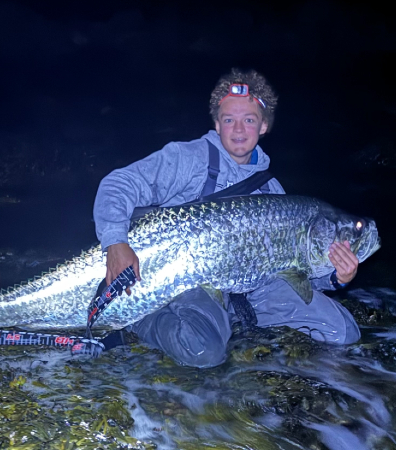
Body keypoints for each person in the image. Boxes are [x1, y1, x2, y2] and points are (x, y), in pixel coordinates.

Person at [92, 69, 360, 368]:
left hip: (252, 291)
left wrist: (336, 276)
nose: (238, 129)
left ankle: (232, 324)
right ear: (217, 124)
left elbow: (297, 271)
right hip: (189, 279)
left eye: (249, 119)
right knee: (202, 351)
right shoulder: (188, 159)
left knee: (343, 331)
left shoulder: (273, 191)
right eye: (229, 119)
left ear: (264, 126)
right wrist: (115, 242)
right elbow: (117, 184)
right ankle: (138, 318)